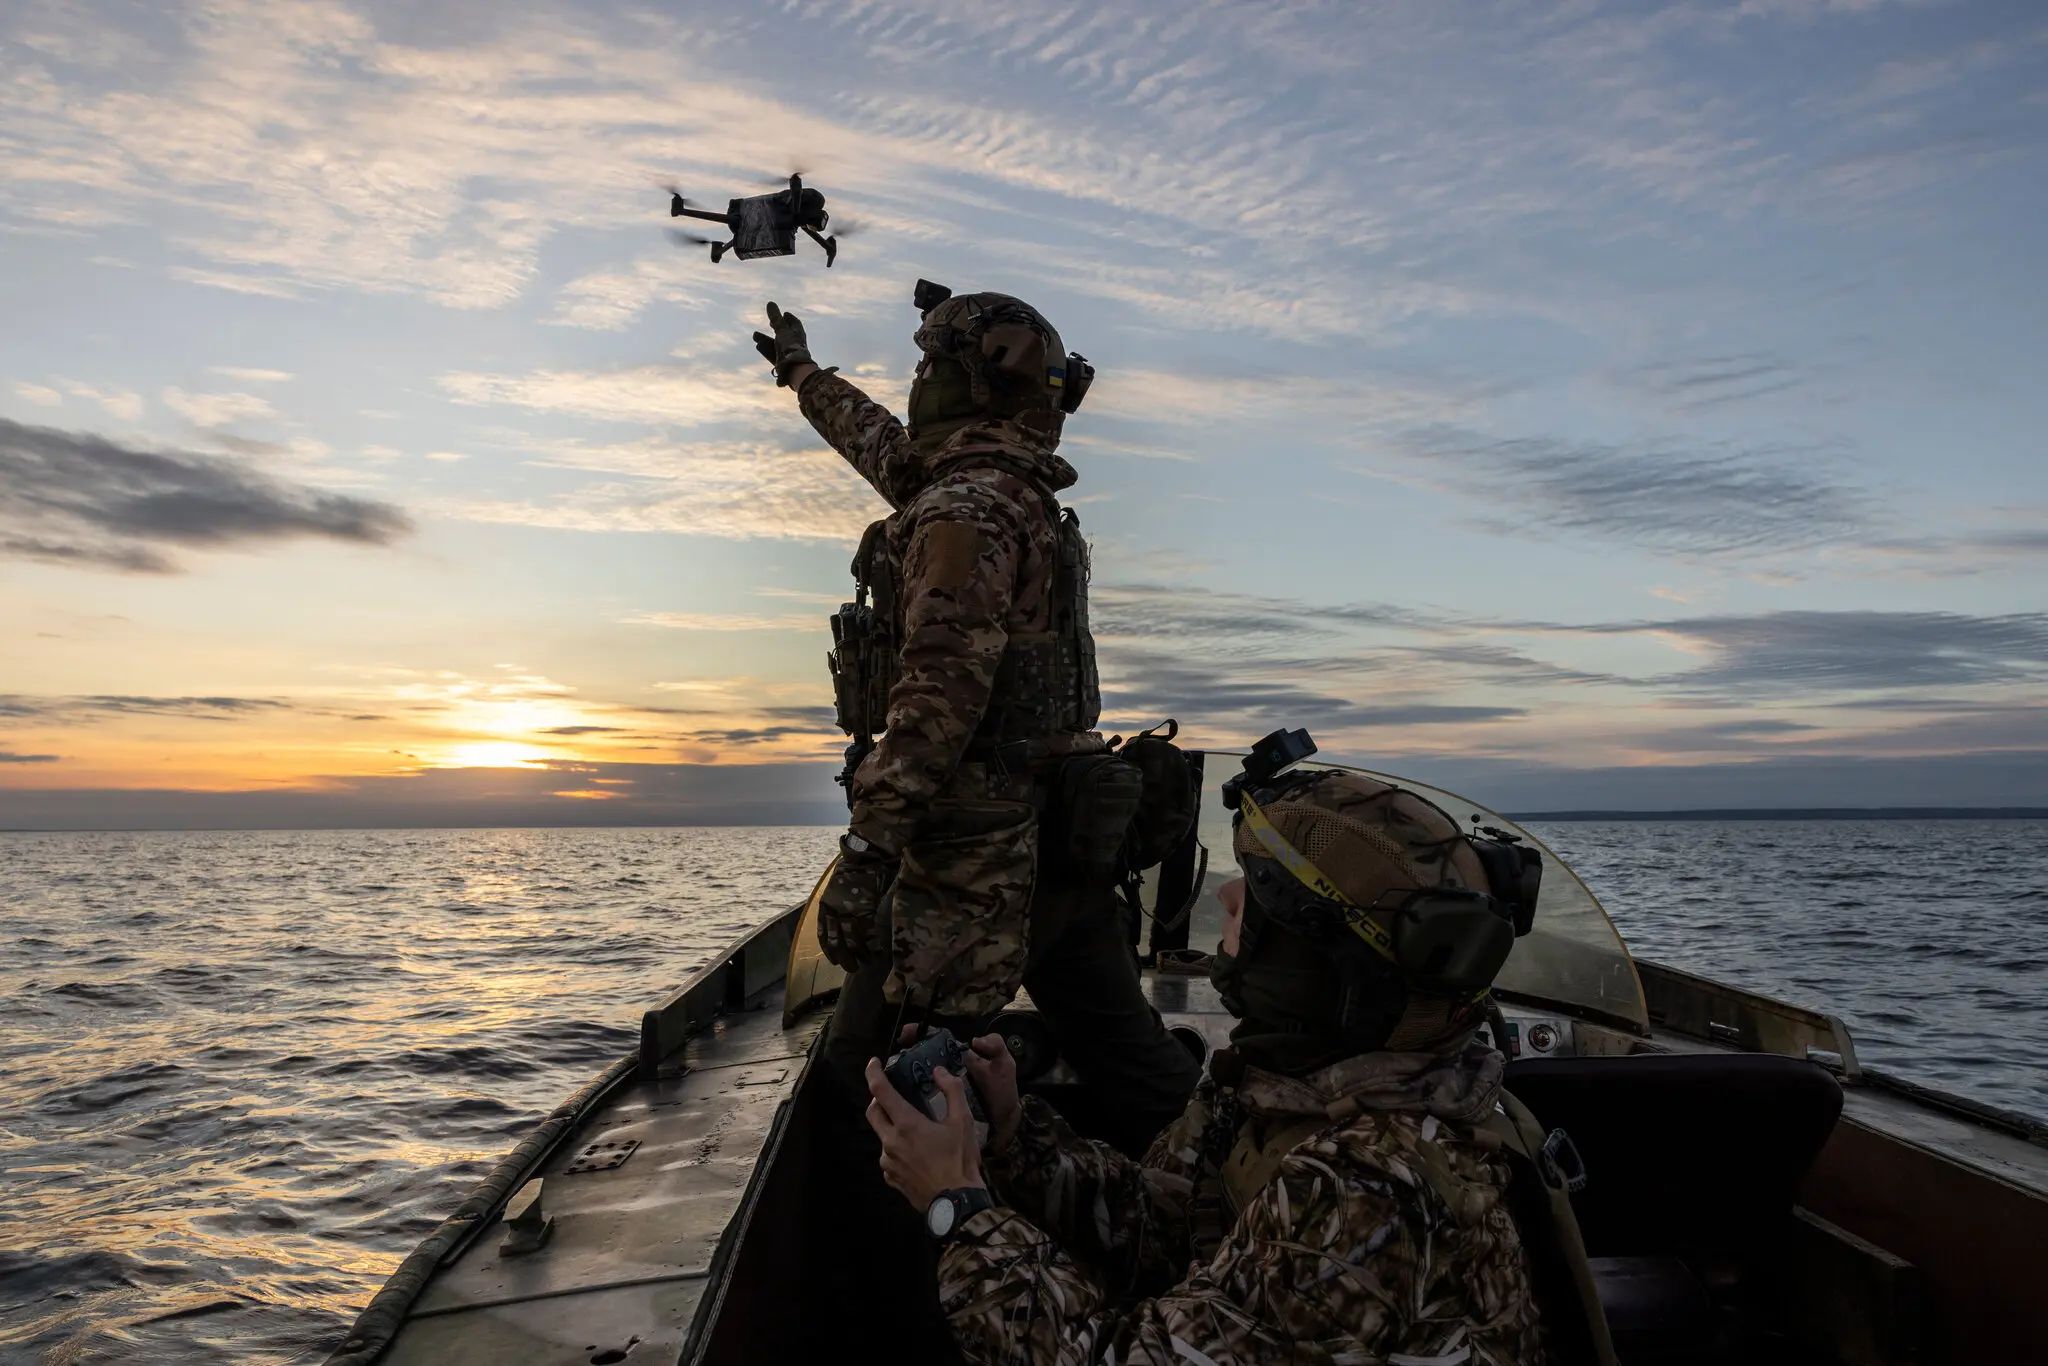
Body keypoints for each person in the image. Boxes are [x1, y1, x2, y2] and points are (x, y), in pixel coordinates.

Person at [864, 765, 1610, 1366]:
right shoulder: (1303, 1088)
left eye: (1255, 897)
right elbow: (1176, 1231)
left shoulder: (1373, 1186)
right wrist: (1012, 1139)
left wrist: (955, 1206)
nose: (1223, 895)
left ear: (1314, 960)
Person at [754, 284, 1200, 1143]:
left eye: (929, 365)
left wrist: (867, 851)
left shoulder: (968, 508)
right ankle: (1213, 1203)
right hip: (1062, 840)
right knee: (1131, 1063)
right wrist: (803, 372)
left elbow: (935, 701)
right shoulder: (988, 484)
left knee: (867, 1079)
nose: (918, 380)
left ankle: (914, 1258)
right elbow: (879, 443)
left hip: (976, 863)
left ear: (970, 381)